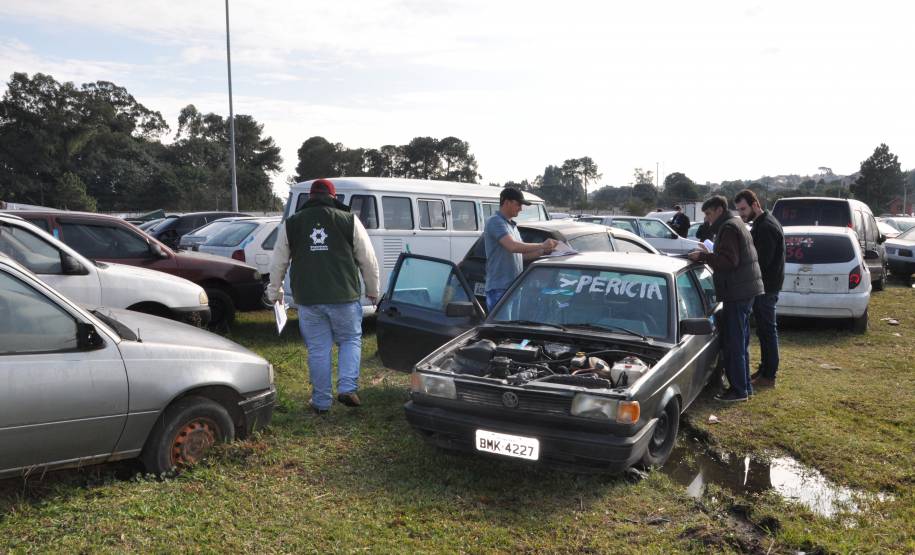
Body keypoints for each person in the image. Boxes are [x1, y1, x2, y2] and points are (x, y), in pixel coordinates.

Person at [267, 178, 380, 415]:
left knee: (318, 349)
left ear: (310, 197)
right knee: (349, 340)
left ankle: (321, 402)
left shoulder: (292, 223)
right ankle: (347, 387)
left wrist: (274, 291)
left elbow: (278, 261)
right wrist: (373, 290)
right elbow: (368, 259)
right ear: (334, 197)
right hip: (344, 296)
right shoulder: (349, 220)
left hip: (308, 298)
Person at [688, 195, 763, 402]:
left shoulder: (728, 228)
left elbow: (729, 261)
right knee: (741, 341)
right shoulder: (735, 223)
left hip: (737, 292)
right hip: (745, 290)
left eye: (709, 214)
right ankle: (744, 386)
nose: (707, 219)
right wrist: (710, 253)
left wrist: (703, 257)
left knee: (735, 343)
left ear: (720, 210)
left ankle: (738, 390)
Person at [734, 189, 785, 388]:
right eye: (739, 210)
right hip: (765, 286)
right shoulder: (762, 223)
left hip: (766, 287)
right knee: (764, 331)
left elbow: (762, 261)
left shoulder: (766, 227)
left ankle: (769, 375)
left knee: (767, 331)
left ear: (755, 204)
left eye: (743, 209)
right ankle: (765, 370)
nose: (741, 214)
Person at [484, 187, 558, 311]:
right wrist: (542, 245)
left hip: (513, 288)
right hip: (499, 289)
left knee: (512, 323)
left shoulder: (512, 226)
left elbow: (519, 256)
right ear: (506, 202)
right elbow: (513, 247)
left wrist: (543, 252)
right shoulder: (495, 222)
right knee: (501, 323)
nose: (520, 208)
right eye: (518, 204)